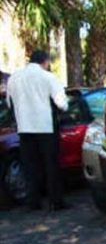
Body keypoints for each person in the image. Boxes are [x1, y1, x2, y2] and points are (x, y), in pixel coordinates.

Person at [6, 50, 69, 211]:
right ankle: (55, 201)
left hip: (24, 128)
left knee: (30, 166)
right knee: (51, 164)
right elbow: (62, 103)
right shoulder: (48, 77)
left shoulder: (14, 78)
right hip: (46, 126)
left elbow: (9, 103)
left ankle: (33, 201)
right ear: (45, 62)